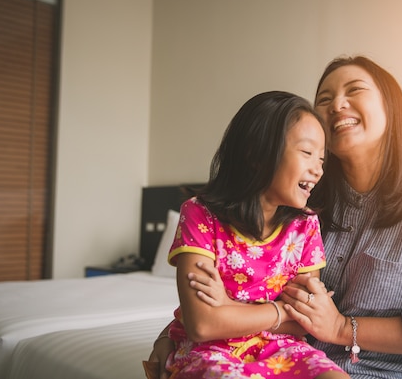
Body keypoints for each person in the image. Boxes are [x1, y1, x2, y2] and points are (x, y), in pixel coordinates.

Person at [148, 56, 402, 379]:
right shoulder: (299, 202)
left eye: (354, 90)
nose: (337, 105)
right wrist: (173, 337)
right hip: (282, 361)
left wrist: (341, 328)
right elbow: (245, 288)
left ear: (390, 107)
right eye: (325, 99)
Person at [144, 91, 349, 379]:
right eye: (306, 153)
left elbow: (304, 322)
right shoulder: (200, 215)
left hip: (282, 348)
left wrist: (227, 309)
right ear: (257, 155)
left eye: (322, 159)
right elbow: (202, 325)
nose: (318, 170)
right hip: (210, 351)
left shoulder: (305, 226)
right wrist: (281, 311)